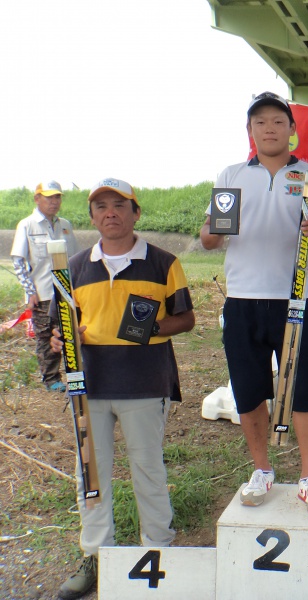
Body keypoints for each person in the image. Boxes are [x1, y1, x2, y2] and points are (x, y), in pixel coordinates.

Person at [200, 92, 308, 514]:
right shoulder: (230, 175)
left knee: (304, 390)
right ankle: (261, 470)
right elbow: (209, 240)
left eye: (277, 122)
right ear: (250, 132)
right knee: (248, 390)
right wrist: (217, 229)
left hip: (297, 300)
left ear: (291, 131)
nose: (269, 128)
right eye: (260, 122)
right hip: (243, 302)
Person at [53, 178, 195, 599]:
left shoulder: (164, 263)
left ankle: (158, 551)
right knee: (90, 477)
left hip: (145, 383)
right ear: (92, 216)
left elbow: (184, 320)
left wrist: (149, 327)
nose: (110, 212)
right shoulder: (73, 268)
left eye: (119, 205)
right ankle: (96, 556)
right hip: (89, 387)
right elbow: (58, 332)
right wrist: (63, 339)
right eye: (101, 206)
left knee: (148, 470)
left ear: (136, 213)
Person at [11, 180, 79, 392]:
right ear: (37, 198)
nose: (54, 201)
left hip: (66, 291)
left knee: (70, 332)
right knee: (46, 335)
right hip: (42, 293)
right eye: (49, 197)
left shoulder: (65, 225)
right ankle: (51, 379)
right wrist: (30, 292)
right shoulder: (27, 225)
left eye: (57, 197)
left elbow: (76, 258)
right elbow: (19, 261)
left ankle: (75, 376)